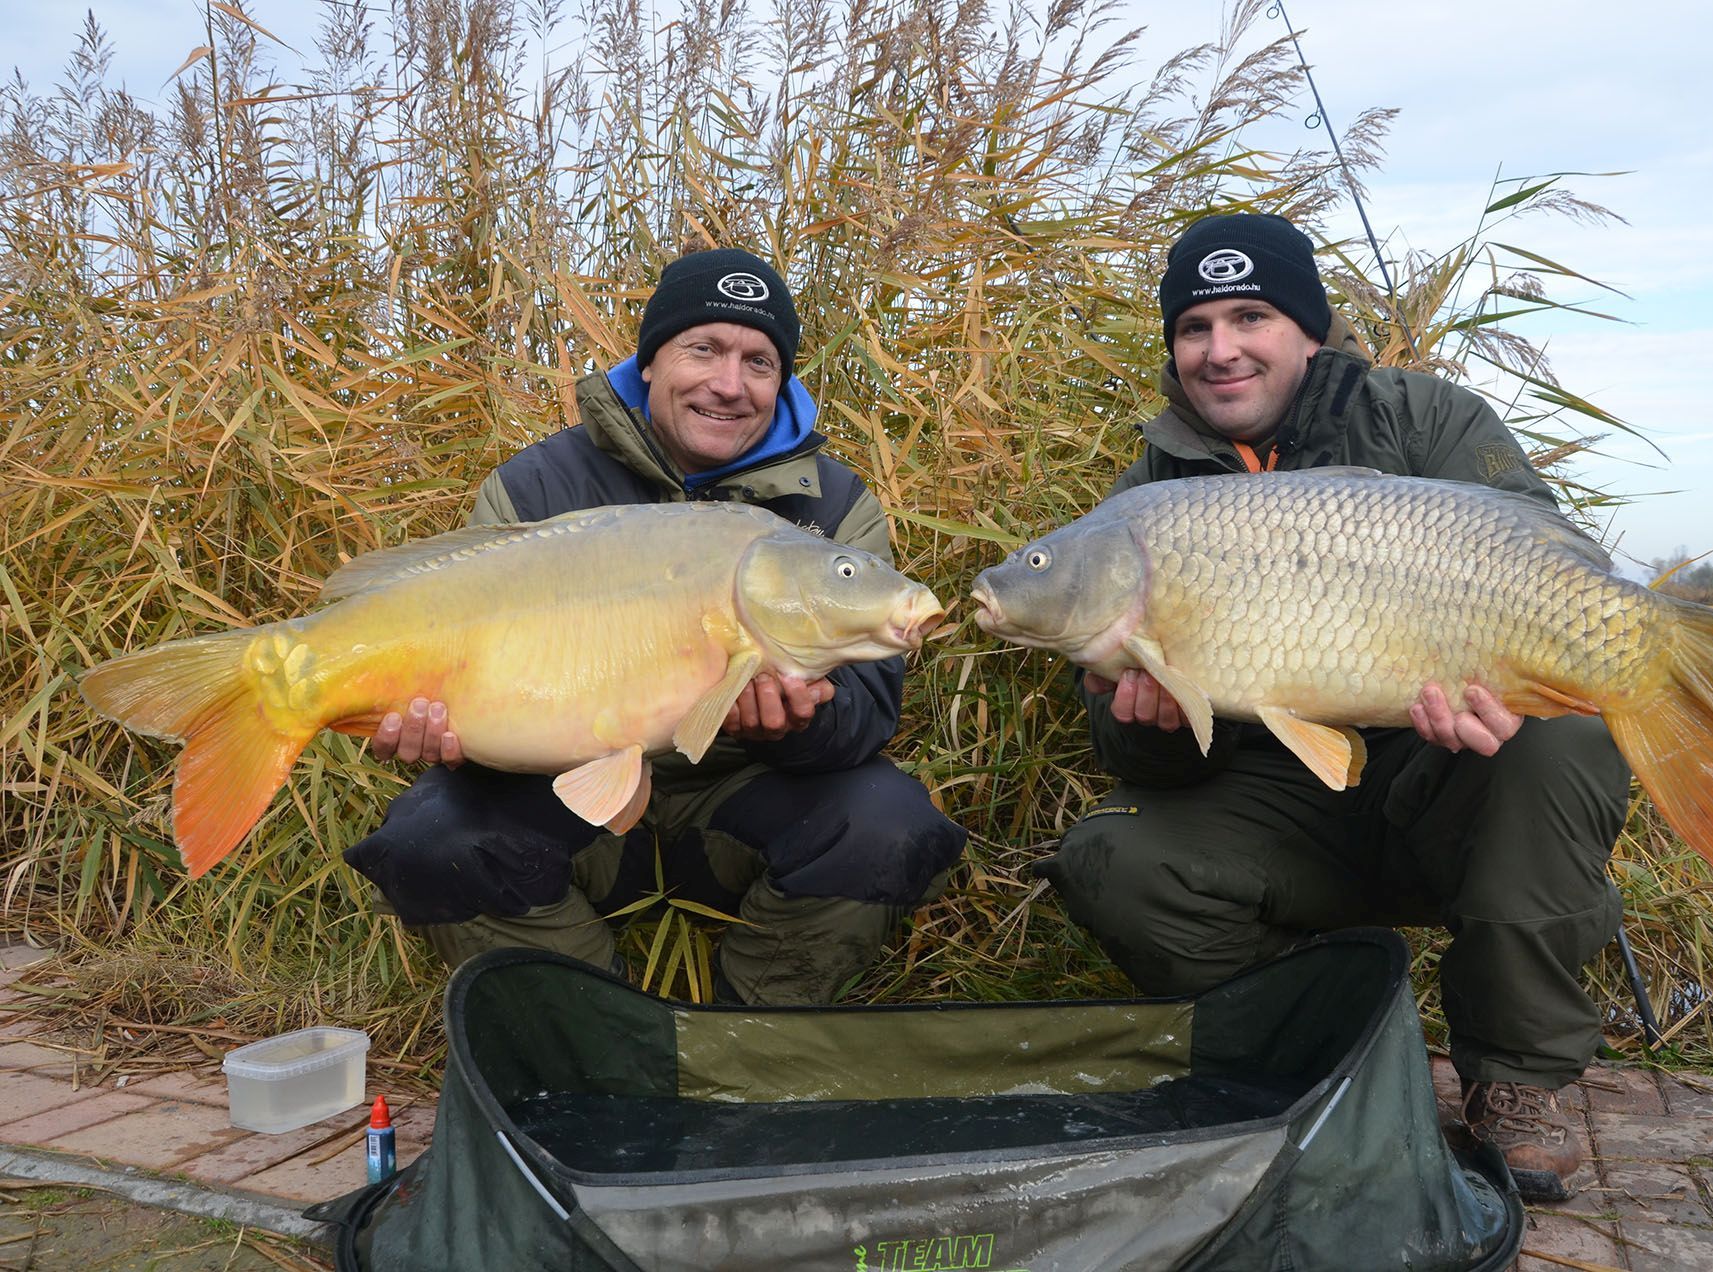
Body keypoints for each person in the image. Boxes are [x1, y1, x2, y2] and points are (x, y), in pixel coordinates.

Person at [1033, 213, 1631, 1202]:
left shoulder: (1430, 420)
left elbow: (1556, 567)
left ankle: (1514, 1083)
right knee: (1117, 860)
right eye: (1193, 328)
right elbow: (1142, 768)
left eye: (1250, 316)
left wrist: (1511, 702)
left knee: (1565, 736)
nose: (1219, 350)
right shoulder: (1150, 495)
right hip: (1278, 799)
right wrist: (1154, 721)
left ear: (1310, 331)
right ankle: (1322, 1022)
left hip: (1447, 778)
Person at [343, 247, 968, 1006]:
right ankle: (596, 1036)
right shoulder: (536, 487)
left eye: (759, 362)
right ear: (648, 362)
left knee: (892, 824)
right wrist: (439, 735)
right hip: (571, 801)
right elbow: (490, 700)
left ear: (783, 381)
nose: (729, 384)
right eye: (702, 349)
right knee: (429, 836)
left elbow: (868, 714)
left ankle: (746, 1046)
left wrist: (793, 729)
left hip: (741, 803)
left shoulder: (832, 508)